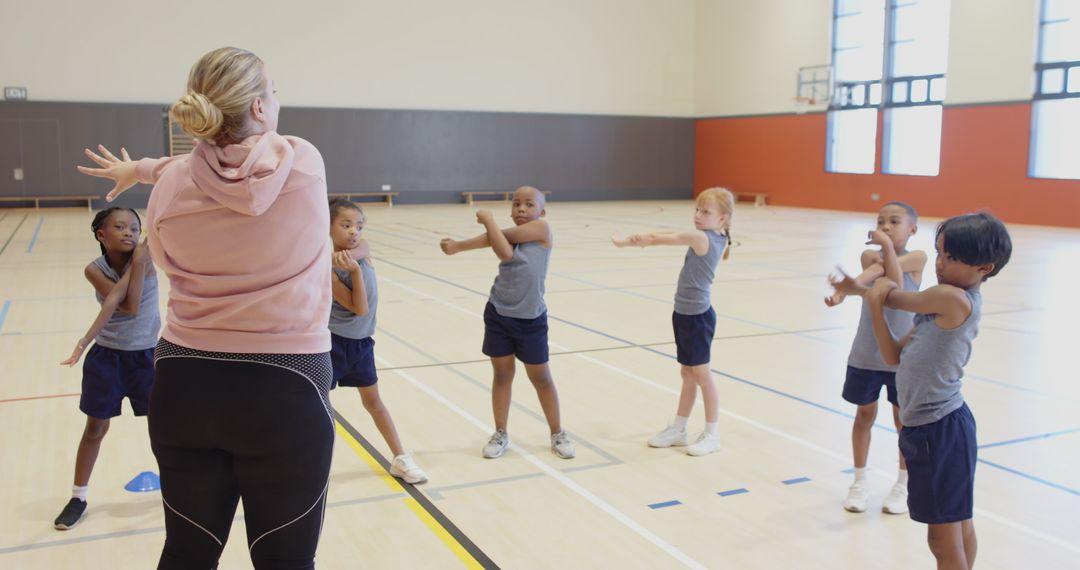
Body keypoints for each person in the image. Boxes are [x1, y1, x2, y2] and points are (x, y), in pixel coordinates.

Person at [77, 47, 333, 569]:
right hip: (286, 387)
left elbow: (191, 167)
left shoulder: (170, 184)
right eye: (274, 90)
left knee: (187, 553)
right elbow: (242, 167)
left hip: (183, 384)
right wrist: (146, 167)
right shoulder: (302, 162)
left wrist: (142, 168)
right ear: (259, 109)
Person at [830, 212, 1012, 570]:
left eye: (953, 258)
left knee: (943, 539)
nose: (941, 264)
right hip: (935, 428)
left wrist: (865, 288)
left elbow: (895, 297)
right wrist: (872, 304)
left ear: (985, 267)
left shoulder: (952, 299)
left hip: (938, 430)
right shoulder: (937, 308)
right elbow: (893, 355)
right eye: (941, 254)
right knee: (957, 525)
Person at [439, 186, 575, 460]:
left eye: (528, 204)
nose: (521, 209)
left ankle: (557, 432)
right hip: (499, 314)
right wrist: (464, 244)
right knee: (502, 375)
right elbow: (500, 245)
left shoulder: (542, 230)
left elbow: (502, 251)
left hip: (531, 320)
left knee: (541, 377)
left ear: (542, 211)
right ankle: (500, 432)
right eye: (516, 204)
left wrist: (484, 225)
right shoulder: (507, 237)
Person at [53, 208, 158, 530]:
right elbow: (127, 305)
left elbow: (134, 302)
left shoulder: (149, 260)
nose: (130, 232)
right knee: (95, 428)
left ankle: (182, 490)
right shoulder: (94, 269)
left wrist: (142, 261)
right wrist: (138, 263)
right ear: (101, 234)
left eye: (135, 228)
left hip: (147, 359)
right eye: (120, 226)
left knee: (164, 429)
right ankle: (78, 496)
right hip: (108, 359)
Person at [611, 187, 733, 456]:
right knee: (687, 374)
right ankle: (679, 429)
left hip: (698, 318)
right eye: (697, 210)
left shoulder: (704, 239)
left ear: (722, 219)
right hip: (684, 314)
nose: (699, 215)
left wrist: (631, 241)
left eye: (706, 212)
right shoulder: (713, 235)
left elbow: (661, 237)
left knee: (702, 374)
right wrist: (644, 239)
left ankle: (712, 434)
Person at [825, 202, 926, 514]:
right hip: (866, 354)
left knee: (902, 421)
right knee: (864, 416)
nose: (885, 226)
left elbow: (892, 281)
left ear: (912, 229)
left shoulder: (917, 258)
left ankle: (902, 485)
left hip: (900, 358)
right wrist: (846, 291)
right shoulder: (870, 255)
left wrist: (864, 275)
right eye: (881, 221)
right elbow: (874, 270)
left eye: (894, 221)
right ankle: (859, 481)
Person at [327, 198, 427, 483]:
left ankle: (399, 457)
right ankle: (307, 462)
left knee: (374, 403)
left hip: (361, 344)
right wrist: (354, 271)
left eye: (358, 226)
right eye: (345, 225)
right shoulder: (333, 270)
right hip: (333, 344)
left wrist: (354, 260)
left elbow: (366, 246)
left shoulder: (359, 251)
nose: (354, 232)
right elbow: (359, 307)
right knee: (317, 406)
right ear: (329, 226)